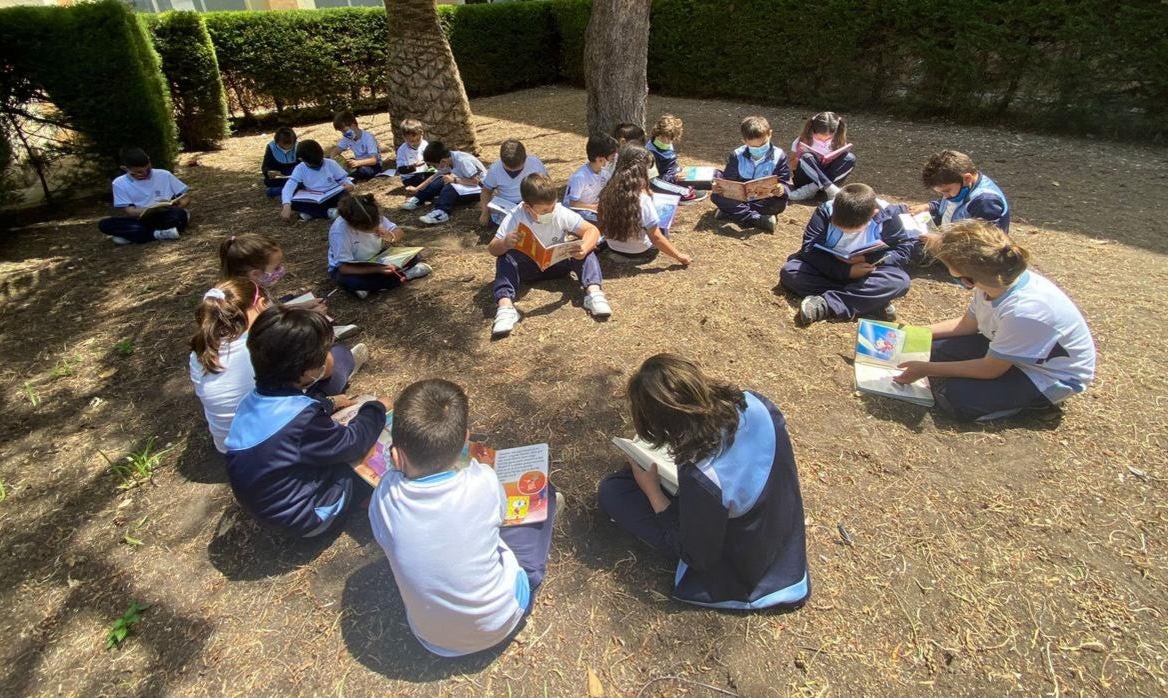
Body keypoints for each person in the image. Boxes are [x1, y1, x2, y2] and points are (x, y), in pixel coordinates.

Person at [597, 354, 810, 610]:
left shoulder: (702, 476)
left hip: (749, 568)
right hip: (781, 529)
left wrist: (653, 492)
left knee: (613, 492)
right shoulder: (755, 403)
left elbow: (698, 556)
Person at [370, 379, 561, 657]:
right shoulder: (482, 480)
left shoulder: (385, 495)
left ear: (396, 455)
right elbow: (501, 517)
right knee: (546, 496)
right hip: (501, 620)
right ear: (465, 440)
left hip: (429, 638)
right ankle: (530, 574)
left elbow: (384, 539)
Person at [892, 220, 1095, 421]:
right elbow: (966, 326)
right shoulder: (994, 280)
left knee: (954, 397)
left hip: (1046, 374)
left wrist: (926, 369)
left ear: (966, 279)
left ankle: (1038, 403)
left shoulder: (1024, 311)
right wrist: (911, 331)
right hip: (1011, 349)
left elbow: (989, 369)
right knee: (928, 348)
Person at [224, 306, 385, 537]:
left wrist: (329, 403)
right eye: (324, 355)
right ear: (307, 372)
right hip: (307, 518)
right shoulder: (303, 420)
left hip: (270, 510)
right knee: (373, 453)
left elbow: (298, 413)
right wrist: (376, 408)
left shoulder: (251, 402)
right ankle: (362, 498)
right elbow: (352, 442)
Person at [488, 174, 609, 337]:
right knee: (505, 259)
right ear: (527, 207)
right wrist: (504, 243)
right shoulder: (515, 216)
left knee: (586, 251)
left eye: (552, 207)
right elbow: (493, 249)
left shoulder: (560, 212)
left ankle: (593, 293)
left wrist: (584, 247)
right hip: (528, 268)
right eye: (544, 210)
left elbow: (591, 230)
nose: (550, 212)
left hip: (557, 263)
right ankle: (505, 307)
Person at [778, 183, 917, 325]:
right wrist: (846, 271)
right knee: (791, 272)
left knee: (899, 281)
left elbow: (903, 249)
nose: (846, 233)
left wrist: (868, 259)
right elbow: (809, 248)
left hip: (867, 271)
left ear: (873, 214)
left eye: (853, 230)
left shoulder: (888, 216)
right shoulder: (825, 211)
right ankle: (869, 300)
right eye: (839, 227)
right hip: (829, 267)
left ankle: (827, 304)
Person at [188, 278, 268, 454]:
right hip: (269, 442)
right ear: (260, 305)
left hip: (228, 447)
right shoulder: (263, 342)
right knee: (337, 357)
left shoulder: (200, 352)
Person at [597, 145, 692, 266]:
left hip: (613, 247)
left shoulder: (607, 190)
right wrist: (679, 256)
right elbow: (656, 237)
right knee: (662, 227)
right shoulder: (641, 200)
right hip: (639, 251)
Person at [328, 193, 431, 298]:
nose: (373, 229)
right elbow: (344, 268)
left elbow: (398, 232)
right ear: (352, 224)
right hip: (353, 266)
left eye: (375, 225)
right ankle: (404, 275)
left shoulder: (373, 214)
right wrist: (377, 270)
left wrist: (389, 235)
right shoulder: (339, 232)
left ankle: (371, 286)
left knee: (414, 257)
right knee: (348, 280)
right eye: (368, 229)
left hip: (376, 257)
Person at [711, 116, 790, 233]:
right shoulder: (737, 155)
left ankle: (731, 212)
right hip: (740, 199)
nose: (758, 149)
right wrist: (719, 188)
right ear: (744, 141)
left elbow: (785, 183)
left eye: (763, 144)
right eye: (753, 146)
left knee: (779, 204)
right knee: (716, 196)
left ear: (770, 134)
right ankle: (758, 219)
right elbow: (728, 180)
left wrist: (781, 189)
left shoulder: (780, 156)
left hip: (764, 200)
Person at [98, 147, 191, 245]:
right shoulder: (119, 183)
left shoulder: (164, 174)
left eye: (148, 169)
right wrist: (151, 209)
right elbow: (131, 211)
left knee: (179, 214)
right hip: (141, 219)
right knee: (104, 224)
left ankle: (137, 235)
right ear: (125, 169)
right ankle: (156, 234)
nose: (145, 174)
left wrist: (177, 205)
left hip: (167, 215)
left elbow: (186, 197)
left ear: (149, 161)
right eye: (139, 172)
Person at [219, 233, 328, 315]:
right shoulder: (248, 303)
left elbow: (272, 311)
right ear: (255, 274)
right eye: (276, 268)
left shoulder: (252, 289)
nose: (281, 270)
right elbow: (273, 330)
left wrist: (303, 306)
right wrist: (311, 317)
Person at [909, 150, 1010, 234]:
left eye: (946, 191)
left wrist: (937, 242)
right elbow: (951, 204)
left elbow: (985, 243)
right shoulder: (962, 187)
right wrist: (929, 206)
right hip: (945, 232)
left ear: (967, 178)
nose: (945, 197)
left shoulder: (985, 202)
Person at [400, 141, 487, 225]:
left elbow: (476, 181)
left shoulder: (462, 161)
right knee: (441, 179)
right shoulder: (448, 159)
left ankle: (442, 212)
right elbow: (434, 176)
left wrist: (454, 180)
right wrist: (417, 189)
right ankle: (419, 199)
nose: (434, 168)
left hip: (482, 189)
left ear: (443, 161)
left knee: (450, 186)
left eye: (434, 165)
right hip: (466, 183)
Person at [479, 139, 549, 226]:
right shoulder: (495, 169)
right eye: (508, 170)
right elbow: (486, 191)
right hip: (507, 205)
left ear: (525, 158)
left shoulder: (534, 163)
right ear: (501, 161)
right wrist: (485, 212)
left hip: (530, 201)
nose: (513, 174)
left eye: (518, 170)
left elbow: (547, 185)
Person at [787, 111, 855, 201]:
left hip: (830, 182)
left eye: (828, 138)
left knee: (850, 158)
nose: (823, 141)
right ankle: (829, 189)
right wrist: (798, 160)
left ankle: (819, 187)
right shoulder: (802, 141)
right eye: (819, 138)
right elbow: (792, 165)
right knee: (806, 156)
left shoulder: (838, 141)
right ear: (812, 130)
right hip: (804, 181)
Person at [280, 140, 354, 221]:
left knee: (345, 196)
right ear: (301, 160)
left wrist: (350, 185)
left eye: (320, 162)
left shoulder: (331, 164)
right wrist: (286, 205)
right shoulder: (300, 168)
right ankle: (330, 213)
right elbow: (289, 186)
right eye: (313, 165)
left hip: (333, 195)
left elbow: (344, 179)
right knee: (293, 203)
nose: (318, 166)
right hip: (314, 199)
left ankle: (313, 213)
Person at [645, 114, 707, 204]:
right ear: (657, 133)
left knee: (708, 179)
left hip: (674, 175)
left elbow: (671, 163)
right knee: (687, 192)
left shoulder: (668, 144)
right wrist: (675, 181)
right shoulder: (649, 153)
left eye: (669, 139)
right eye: (662, 137)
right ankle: (681, 194)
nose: (666, 142)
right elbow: (653, 181)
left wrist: (678, 172)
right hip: (660, 182)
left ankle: (686, 187)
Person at [564, 133, 619, 223]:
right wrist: (594, 207)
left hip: (593, 209)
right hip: (578, 213)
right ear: (600, 159)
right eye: (612, 156)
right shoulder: (580, 177)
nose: (614, 158)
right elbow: (572, 203)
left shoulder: (605, 173)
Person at [331, 111, 382, 180]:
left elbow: (374, 160)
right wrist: (334, 159)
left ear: (353, 126)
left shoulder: (368, 137)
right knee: (329, 158)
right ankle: (349, 175)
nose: (343, 133)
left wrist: (358, 163)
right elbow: (336, 151)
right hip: (358, 163)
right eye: (341, 132)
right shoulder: (347, 139)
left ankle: (349, 176)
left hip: (372, 166)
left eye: (344, 130)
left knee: (363, 171)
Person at [261, 127, 298, 198]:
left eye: (291, 145)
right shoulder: (271, 147)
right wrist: (269, 172)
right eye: (284, 145)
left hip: (295, 179)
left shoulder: (299, 146)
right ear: (276, 142)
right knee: (271, 189)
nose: (288, 147)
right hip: (278, 180)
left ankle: (288, 190)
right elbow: (265, 166)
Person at [394, 119, 431, 187]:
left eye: (418, 139)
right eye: (412, 141)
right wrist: (413, 167)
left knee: (437, 174)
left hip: (425, 172)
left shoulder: (425, 144)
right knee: (422, 177)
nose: (416, 143)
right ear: (404, 138)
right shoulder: (402, 150)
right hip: (410, 178)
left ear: (422, 134)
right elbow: (401, 170)